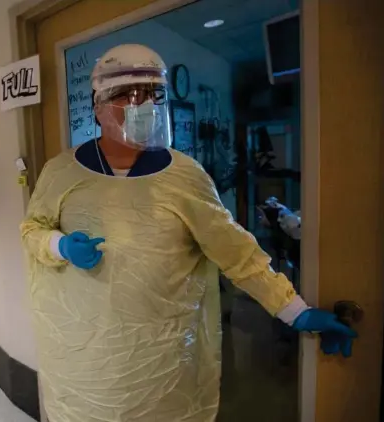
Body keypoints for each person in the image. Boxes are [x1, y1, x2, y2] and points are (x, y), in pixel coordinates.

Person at [20, 44, 356, 422]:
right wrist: (59, 244)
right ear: (98, 106)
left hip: (162, 366)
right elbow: (33, 229)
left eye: (152, 94)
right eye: (128, 95)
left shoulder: (184, 175)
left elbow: (237, 254)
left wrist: (295, 312)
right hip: (86, 363)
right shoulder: (62, 172)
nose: (142, 105)